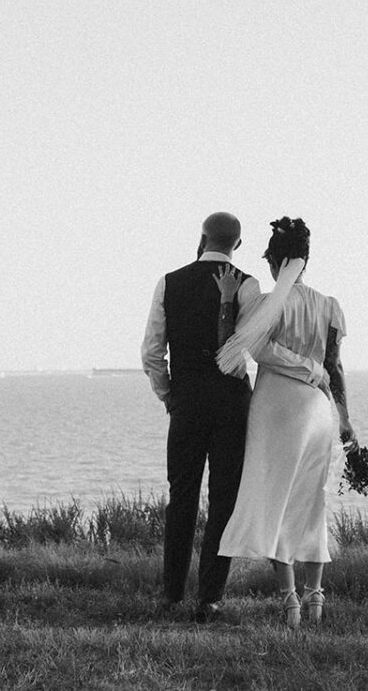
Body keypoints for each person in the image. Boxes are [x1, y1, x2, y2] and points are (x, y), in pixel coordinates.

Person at [140, 212, 326, 621]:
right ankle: (209, 597)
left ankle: (172, 593)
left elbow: (152, 352)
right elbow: (247, 343)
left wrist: (170, 394)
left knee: (181, 497)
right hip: (230, 406)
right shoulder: (249, 285)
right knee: (223, 499)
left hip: (186, 403)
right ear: (237, 245)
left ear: (201, 238)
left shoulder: (168, 282)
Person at [215, 216, 355, 629]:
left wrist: (302, 368)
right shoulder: (328, 305)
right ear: (304, 261)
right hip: (317, 411)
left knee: (276, 499)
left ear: (274, 263)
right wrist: (345, 418)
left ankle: (291, 600)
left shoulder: (268, 304)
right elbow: (335, 367)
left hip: (278, 408)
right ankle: (316, 597)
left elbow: (255, 349)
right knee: (313, 501)